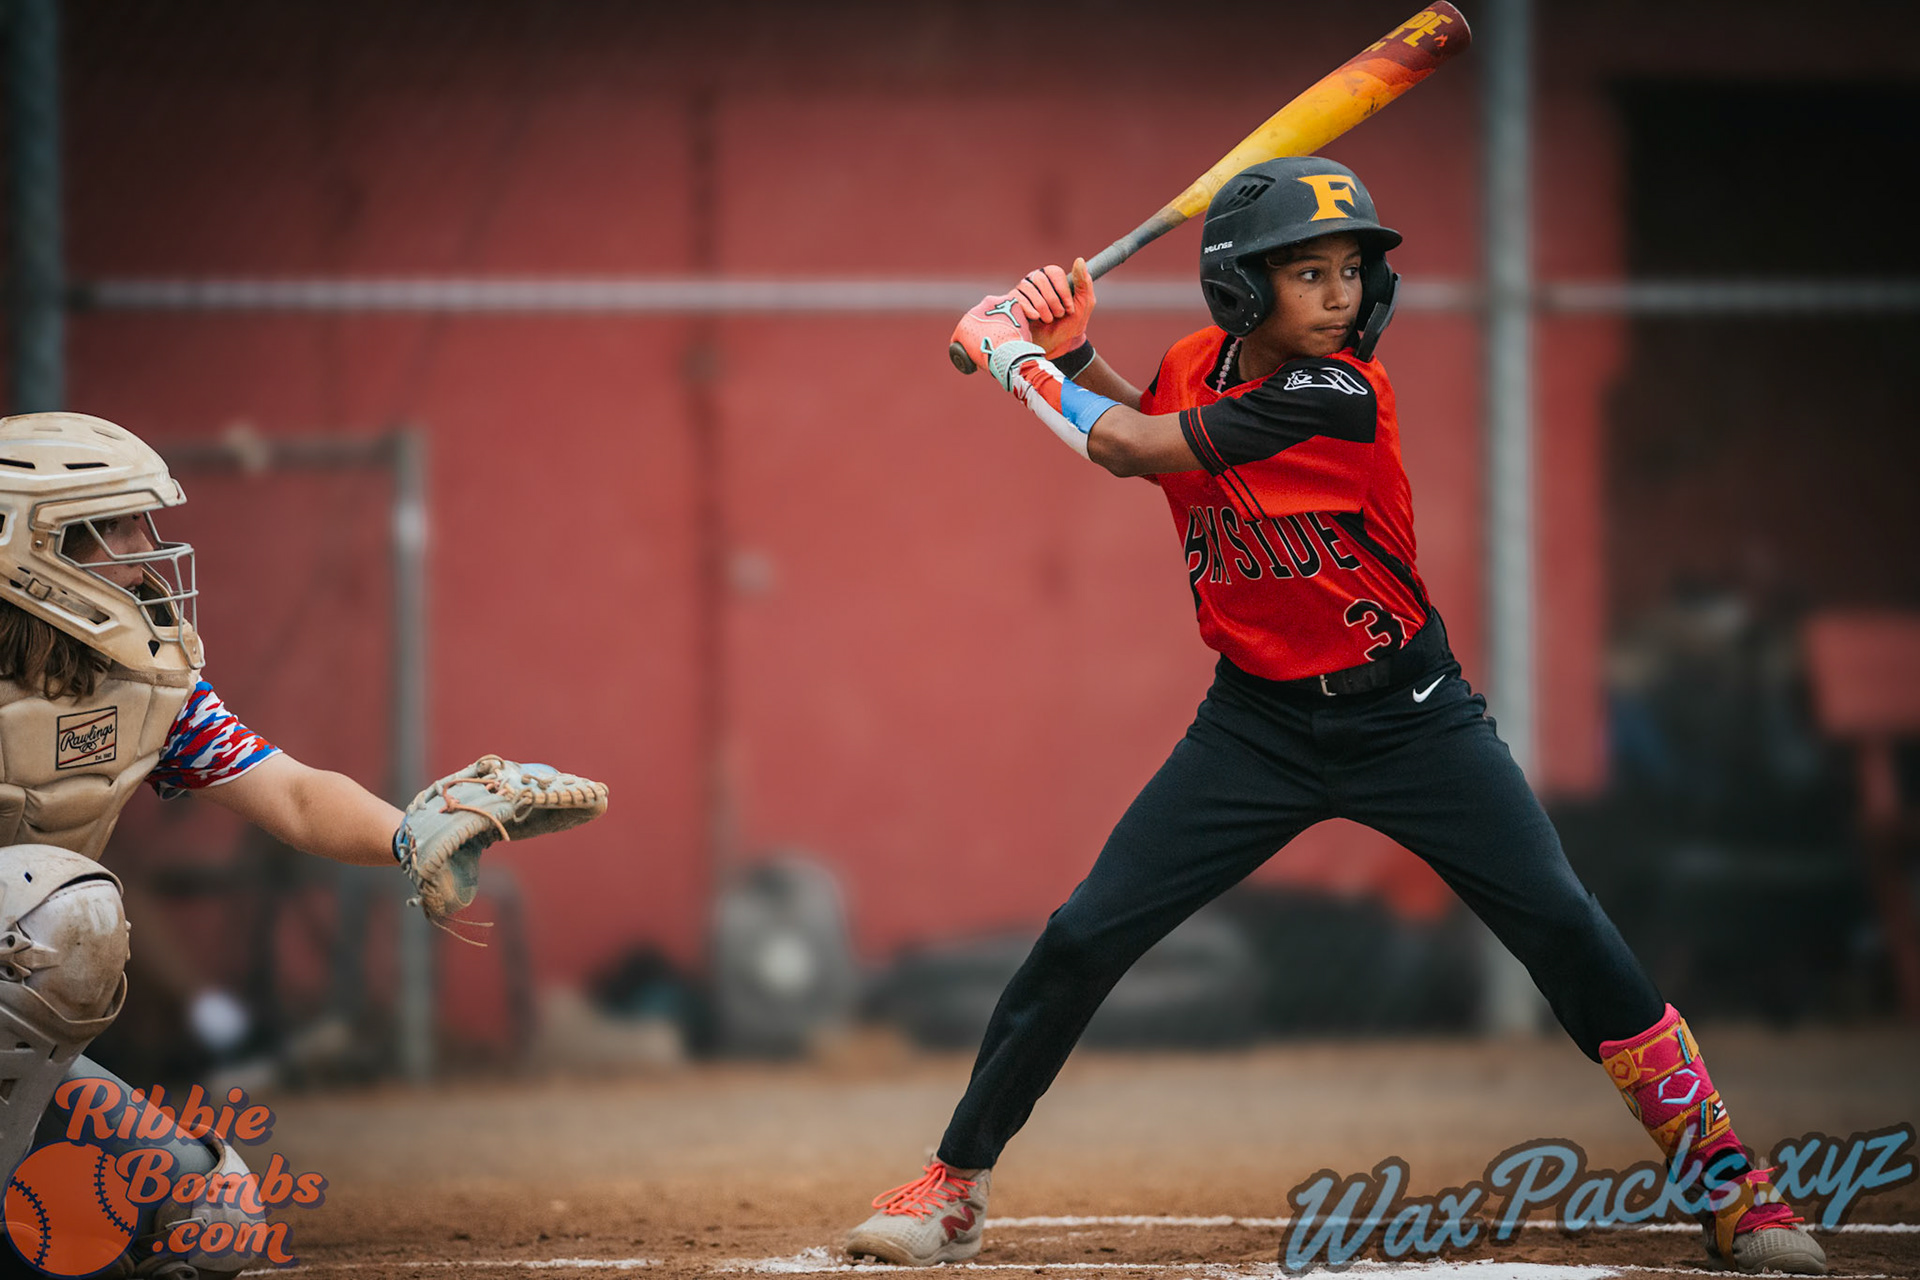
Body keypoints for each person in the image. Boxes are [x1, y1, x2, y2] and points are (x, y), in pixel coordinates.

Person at [843, 158, 1825, 1275]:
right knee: (1083, 935)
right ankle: (954, 1184)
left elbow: (1128, 448)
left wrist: (1011, 356)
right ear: (1239, 288)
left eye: (1350, 272)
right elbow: (1153, 428)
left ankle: (1734, 1185)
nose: (1338, 296)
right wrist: (1067, 356)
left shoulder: (1340, 393)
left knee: (1563, 920)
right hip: (1254, 723)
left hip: (1411, 718)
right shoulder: (1195, 365)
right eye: (1307, 274)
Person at [0, 411, 604, 1277]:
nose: (148, 546)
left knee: (220, 1222)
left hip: (18, 1040)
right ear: (32, 547)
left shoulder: (141, 681)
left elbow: (290, 793)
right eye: (118, 526)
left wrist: (411, 833)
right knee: (63, 910)